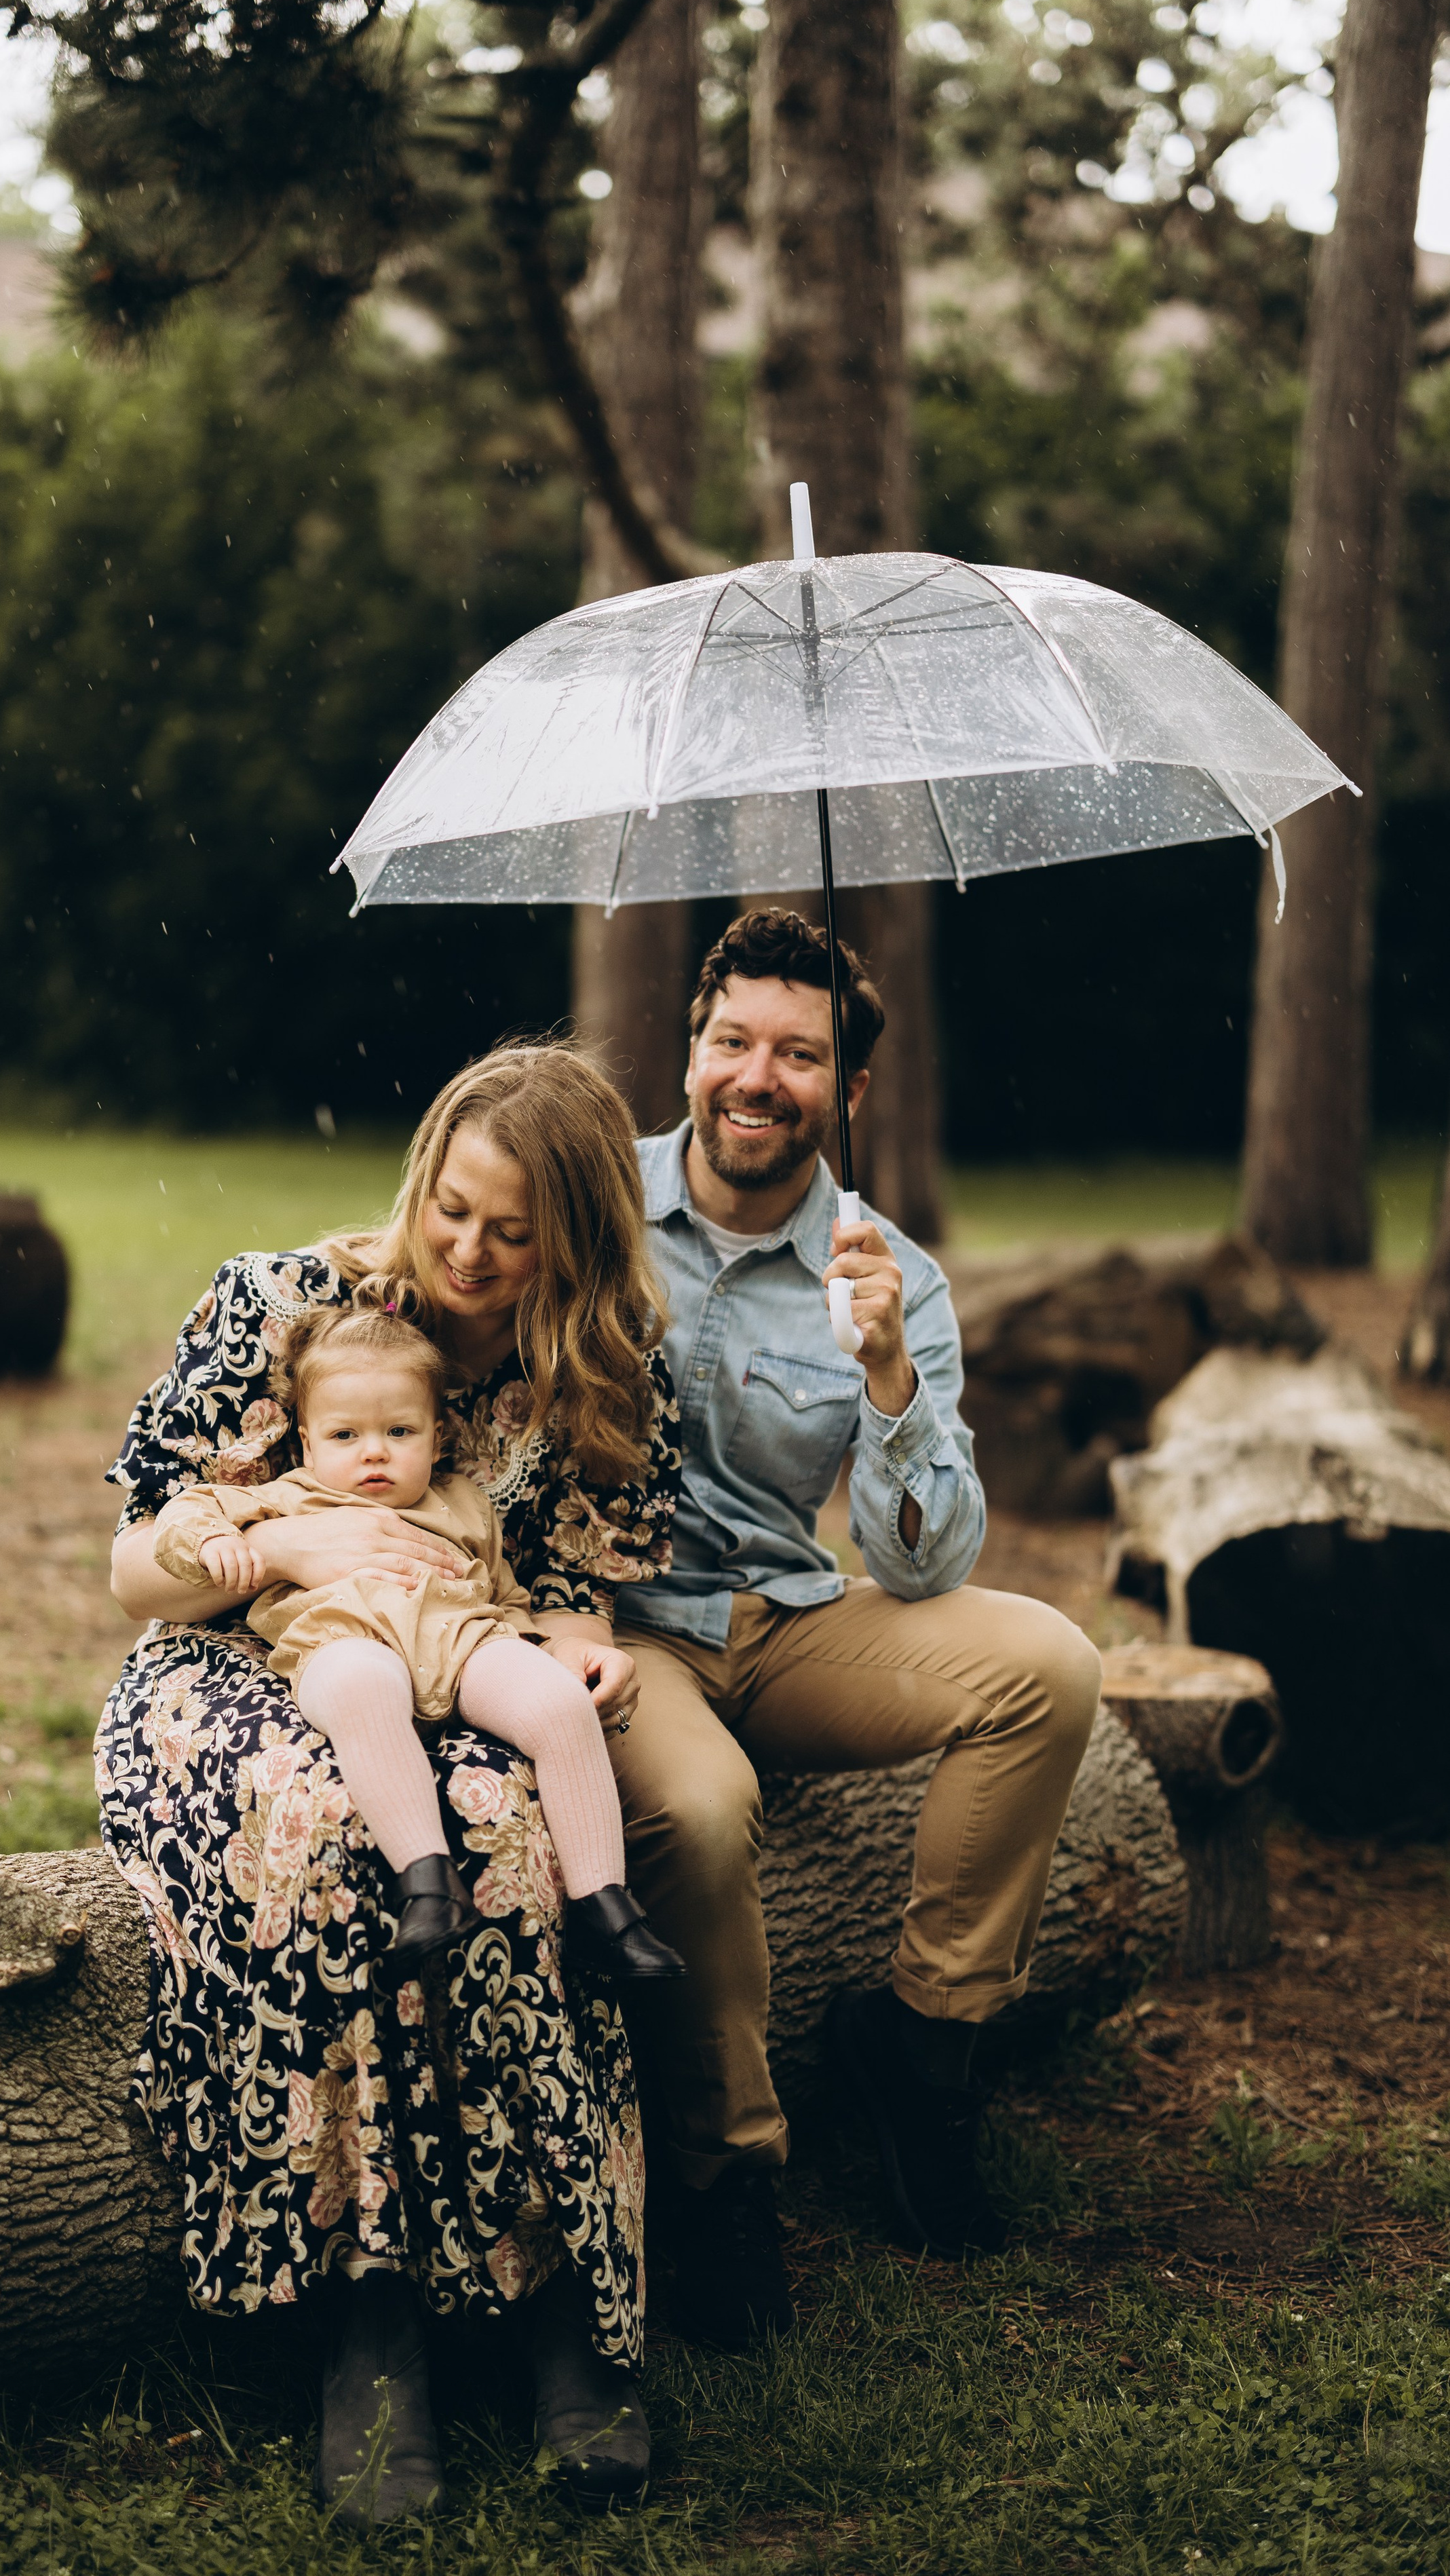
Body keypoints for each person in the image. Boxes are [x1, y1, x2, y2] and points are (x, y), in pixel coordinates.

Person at [97, 1044, 683, 2522]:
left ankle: (564, 2293)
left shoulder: (597, 1368)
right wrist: (281, 1541)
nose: (467, 1253)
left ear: (577, 1242)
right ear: (420, 1177)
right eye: (450, 1209)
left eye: (512, 1233)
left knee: (507, 1830)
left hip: (465, 1646)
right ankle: (367, 2311)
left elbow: (582, 1589)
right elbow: (133, 1568)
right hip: (239, 1661)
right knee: (323, 1826)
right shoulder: (276, 1304)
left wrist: (585, 1650)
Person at [611, 909, 1103, 2346]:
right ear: (691, 1052)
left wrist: (886, 1371)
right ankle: (727, 2176)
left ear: (850, 1089)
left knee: (1048, 1666)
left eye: (799, 1055)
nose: (757, 1078)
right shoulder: (590, 1196)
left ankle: (925, 2038)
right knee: (706, 1813)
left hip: (787, 1624)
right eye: (733, 1042)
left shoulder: (890, 1275)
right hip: (618, 1630)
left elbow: (924, 1559)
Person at [151, 1302, 685, 1984]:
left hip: (464, 1643)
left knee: (557, 1704)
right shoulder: (290, 1498)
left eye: (399, 1431)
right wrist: (216, 1542)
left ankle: (604, 1908)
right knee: (362, 1686)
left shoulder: (462, 1503)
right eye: (345, 1435)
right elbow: (185, 1513)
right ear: (308, 1445)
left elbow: (507, 1600)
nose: (373, 1451)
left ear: (436, 1440)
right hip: (344, 1641)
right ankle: (428, 1885)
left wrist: (556, 1654)